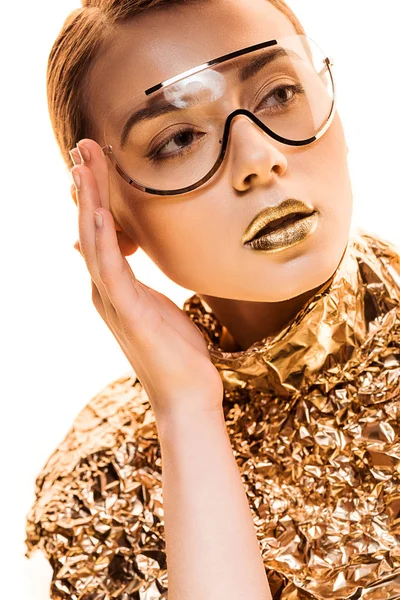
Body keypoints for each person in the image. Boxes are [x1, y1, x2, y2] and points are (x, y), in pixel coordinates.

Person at [25, 0, 400, 598]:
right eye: (178, 139)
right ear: (107, 213)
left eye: (279, 94)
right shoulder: (107, 479)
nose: (259, 159)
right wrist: (187, 413)